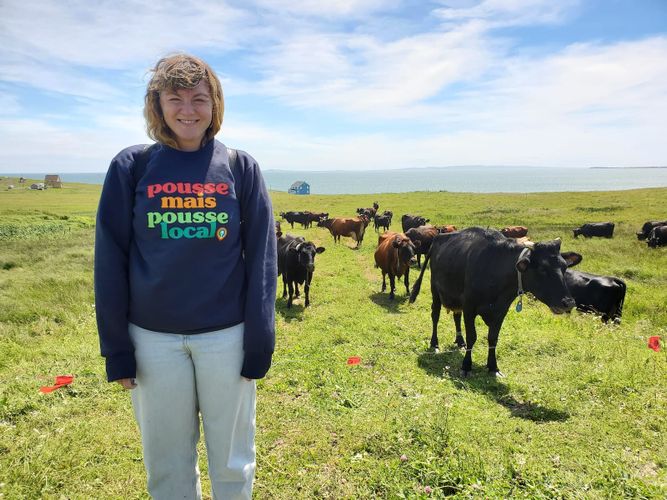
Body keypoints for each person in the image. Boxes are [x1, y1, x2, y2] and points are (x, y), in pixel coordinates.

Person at [94, 53, 277, 499]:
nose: (188, 110)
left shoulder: (239, 166)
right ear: (157, 104)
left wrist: (259, 340)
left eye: (199, 99)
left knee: (233, 459)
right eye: (175, 98)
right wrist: (116, 348)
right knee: (166, 464)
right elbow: (109, 260)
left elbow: (263, 260)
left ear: (215, 104)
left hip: (226, 338)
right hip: (152, 340)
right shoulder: (132, 166)